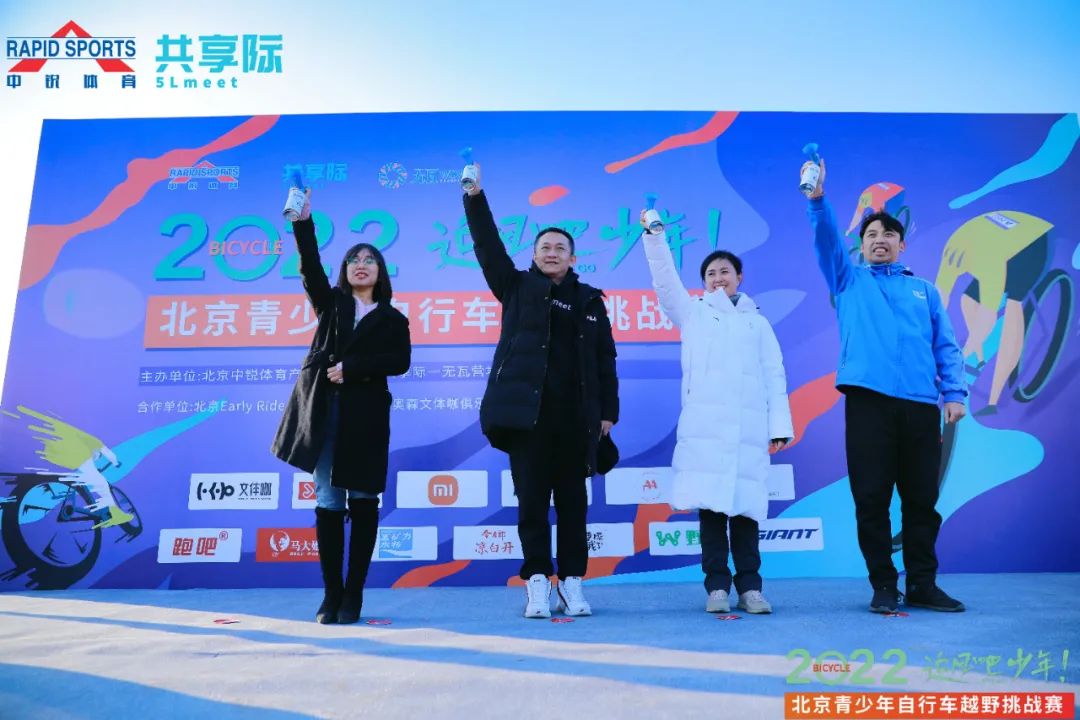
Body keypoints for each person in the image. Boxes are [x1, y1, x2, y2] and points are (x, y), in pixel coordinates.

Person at [804, 157, 968, 613]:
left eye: (888, 234)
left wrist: (954, 394)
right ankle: (883, 584)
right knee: (871, 499)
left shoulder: (925, 291)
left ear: (901, 243)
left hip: (919, 407)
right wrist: (818, 201)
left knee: (922, 501)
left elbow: (946, 345)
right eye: (871, 234)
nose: (880, 239)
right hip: (868, 405)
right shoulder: (848, 281)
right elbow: (825, 240)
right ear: (861, 245)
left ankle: (922, 584)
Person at [462, 164, 619, 619]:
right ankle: (536, 583)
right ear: (534, 256)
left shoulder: (590, 300)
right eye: (545, 247)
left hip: (576, 421)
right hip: (526, 419)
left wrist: (608, 412)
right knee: (531, 504)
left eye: (560, 248)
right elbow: (487, 245)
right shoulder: (515, 287)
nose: (552, 253)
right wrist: (474, 197)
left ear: (572, 258)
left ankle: (572, 583)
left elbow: (606, 361)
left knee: (574, 506)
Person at [640, 214, 792, 615]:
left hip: (748, 434)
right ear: (703, 282)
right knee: (711, 514)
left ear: (739, 277)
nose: (718, 278)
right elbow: (665, 282)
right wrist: (654, 239)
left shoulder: (758, 323)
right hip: (706, 433)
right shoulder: (693, 313)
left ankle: (751, 589)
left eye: (725, 271)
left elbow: (774, 374)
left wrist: (778, 426)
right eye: (710, 273)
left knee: (746, 514)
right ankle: (717, 588)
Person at [272, 188, 411, 624]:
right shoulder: (332, 305)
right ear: (345, 271)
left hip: (367, 420)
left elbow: (400, 361)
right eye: (353, 259)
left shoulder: (393, 319)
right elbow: (310, 266)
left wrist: (354, 368)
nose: (361, 264)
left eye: (369, 259)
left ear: (380, 272)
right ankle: (331, 594)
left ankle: (355, 595)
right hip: (325, 415)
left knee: (364, 500)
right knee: (329, 501)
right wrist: (303, 222)